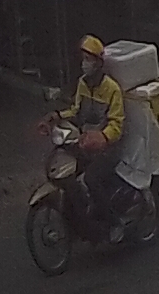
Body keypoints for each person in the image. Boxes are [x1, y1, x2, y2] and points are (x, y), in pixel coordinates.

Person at [36, 36, 128, 240]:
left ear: (99, 63)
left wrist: (103, 137)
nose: (84, 63)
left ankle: (115, 223)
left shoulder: (112, 89)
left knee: (91, 179)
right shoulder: (83, 84)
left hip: (108, 149)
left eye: (89, 59)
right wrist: (56, 116)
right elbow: (76, 112)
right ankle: (82, 222)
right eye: (83, 58)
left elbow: (117, 124)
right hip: (85, 144)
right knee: (68, 176)